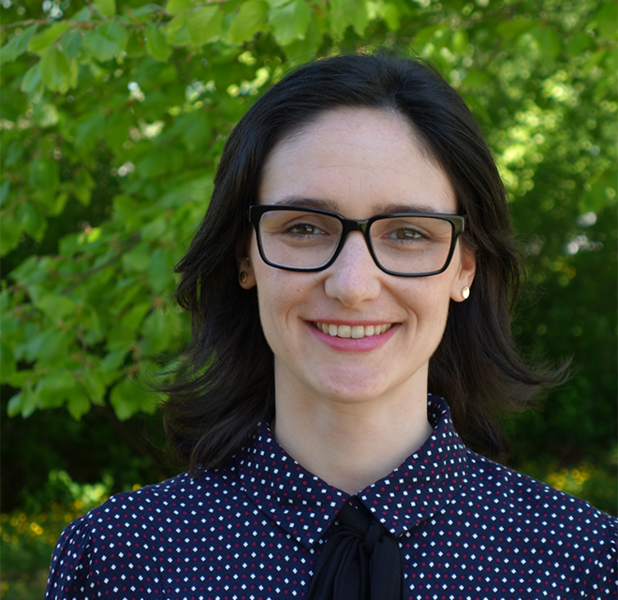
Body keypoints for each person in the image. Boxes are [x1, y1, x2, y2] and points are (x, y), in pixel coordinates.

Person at [45, 51, 617, 600]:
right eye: (303, 228)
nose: (352, 285)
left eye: (408, 232)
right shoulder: (117, 559)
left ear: (464, 267)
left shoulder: (583, 563)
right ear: (245, 257)